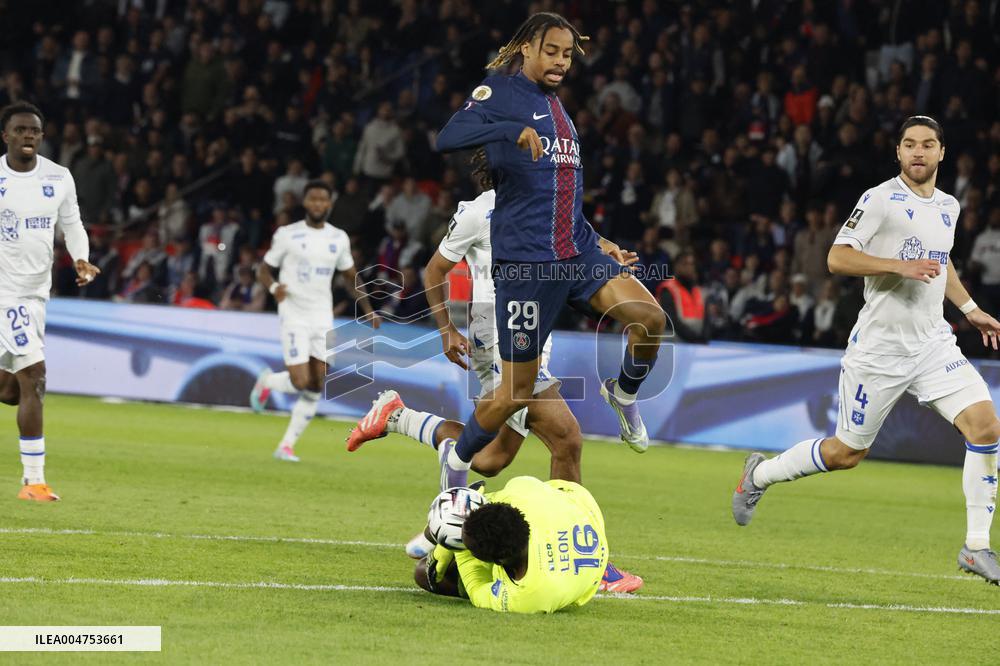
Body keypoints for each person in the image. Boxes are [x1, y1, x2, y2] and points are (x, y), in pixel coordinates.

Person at [345, 151, 642, 592]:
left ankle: (398, 417)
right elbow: (435, 269)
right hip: (498, 332)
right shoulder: (477, 212)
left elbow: (576, 236)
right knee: (566, 438)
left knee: (490, 459)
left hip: (535, 330)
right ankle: (592, 561)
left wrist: (607, 248)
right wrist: (446, 329)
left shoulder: (540, 206)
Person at [732, 116, 1000, 583]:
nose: (919, 152)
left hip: (934, 343)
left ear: (942, 153)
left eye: (928, 145)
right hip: (879, 351)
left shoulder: (949, 206)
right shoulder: (879, 200)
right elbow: (838, 257)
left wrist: (970, 307)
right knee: (846, 453)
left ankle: (976, 546)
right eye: (910, 144)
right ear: (898, 152)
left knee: (985, 425)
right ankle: (760, 475)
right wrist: (898, 265)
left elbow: (941, 262)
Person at [434, 13, 667, 490]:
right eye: (551, 51)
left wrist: (601, 244)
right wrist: (504, 130)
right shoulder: (499, 91)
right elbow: (448, 137)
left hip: (576, 254)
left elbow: (561, 196)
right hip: (527, 266)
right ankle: (455, 467)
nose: (561, 61)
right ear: (527, 49)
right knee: (516, 393)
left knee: (652, 320)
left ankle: (622, 394)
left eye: (567, 54)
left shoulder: (557, 108)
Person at [0, 102, 100, 501]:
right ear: (5, 135)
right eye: (21, 130)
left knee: (10, 392)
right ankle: (34, 480)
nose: (28, 136)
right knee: (35, 377)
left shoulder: (58, 177)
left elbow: (72, 224)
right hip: (4, 293)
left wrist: (81, 258)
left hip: (37, 293)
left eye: (35, 131)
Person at [248, 180, 379, 462]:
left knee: (317, 383)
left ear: (329, 204)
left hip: (322, 315)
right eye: (313, 199)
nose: (318, 204)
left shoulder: (338, 238)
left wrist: (367, 308)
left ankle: (286, 446)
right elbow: (264, 270)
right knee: (300, 380)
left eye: (323, 199)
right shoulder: (287, 234)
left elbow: (349, 276)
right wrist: (273, 289)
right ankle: (268, 381)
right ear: (305, 202)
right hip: (293, 313)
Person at [414, 475, 609, 613]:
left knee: (423, 573)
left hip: (579, 562)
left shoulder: (528, 595)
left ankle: (439, 535)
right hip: (581, 506)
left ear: (496, 561)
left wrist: (457, 549)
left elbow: (477, 590)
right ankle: (439, 534)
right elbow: (490, 508)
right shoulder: (522, 497)